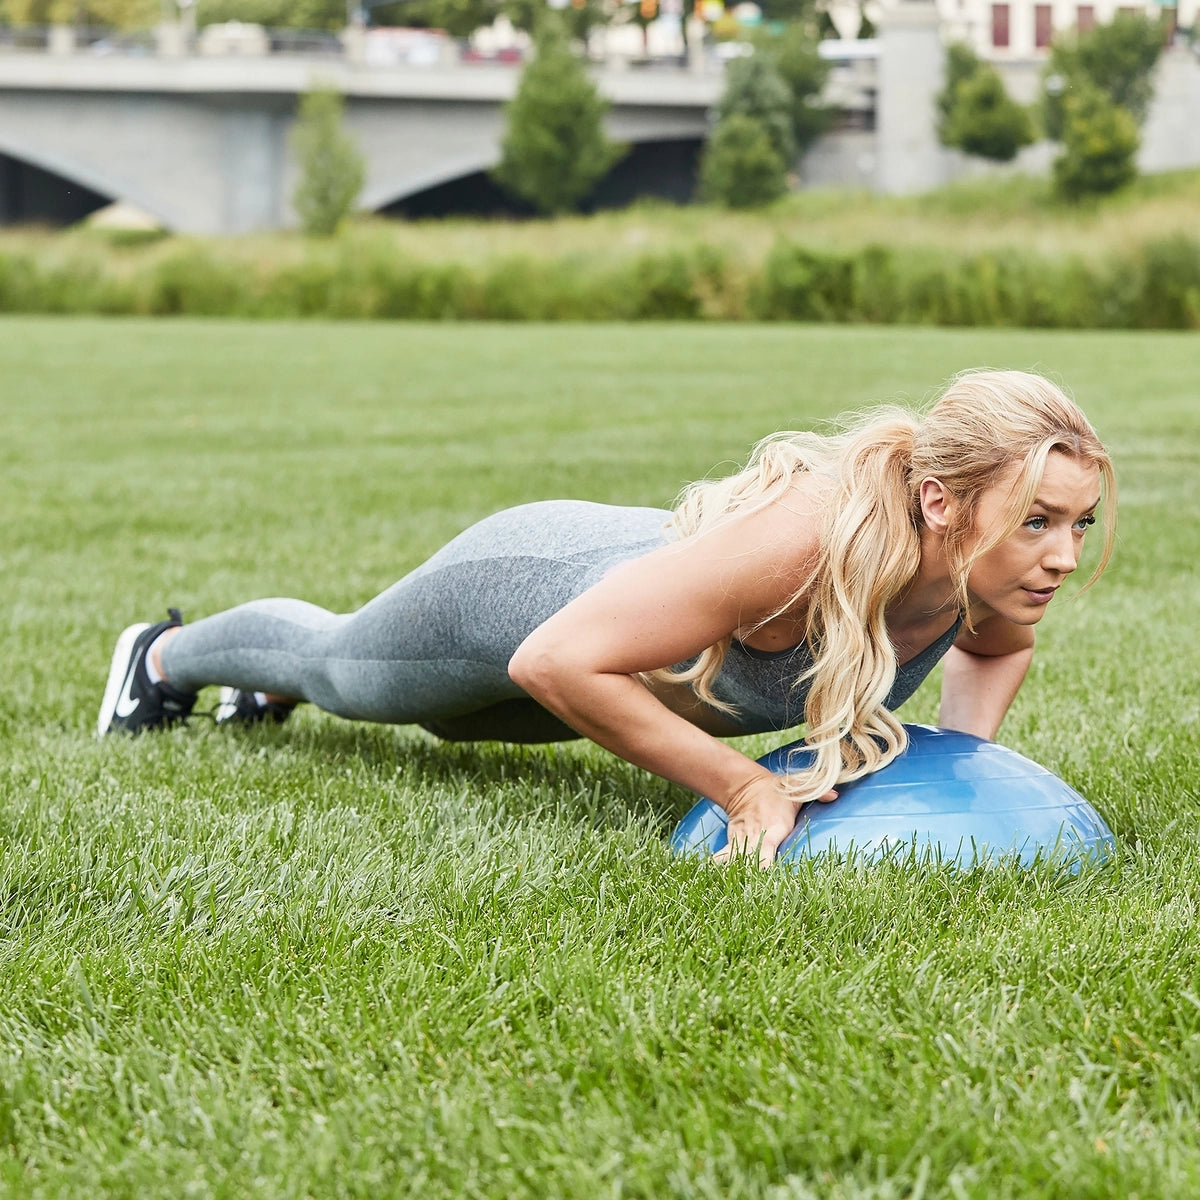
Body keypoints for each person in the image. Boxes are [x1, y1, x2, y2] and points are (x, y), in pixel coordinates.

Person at [97, 369, 1116, 867]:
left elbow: (998, 650)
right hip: (533, 586)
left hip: (616, 651)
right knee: (350, 678)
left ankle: (258, 676)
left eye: (1078, 523)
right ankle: (167, 656)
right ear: (944, 503)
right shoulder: (807, 543)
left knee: (452, 727)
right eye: (1036, 521)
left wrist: (951, 771)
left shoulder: (978, 579)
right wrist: (744, 785)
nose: (1063, 556)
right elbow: (558, 658)